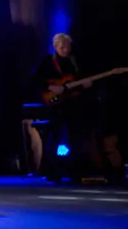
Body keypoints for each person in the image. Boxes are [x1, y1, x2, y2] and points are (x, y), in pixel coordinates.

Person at [29, 33, 102, 181]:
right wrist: (50, 86)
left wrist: (86, 86)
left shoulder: (75, 62)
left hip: (74, 105)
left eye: (67, 46)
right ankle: (51, 170)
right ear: (55, 47)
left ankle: (76, 171)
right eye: (61, 46)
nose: (65, 48)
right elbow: (35, 79)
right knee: (54, 137)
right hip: (56, 106)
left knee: (76, 137)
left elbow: (79, 83)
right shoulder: (47, 62)